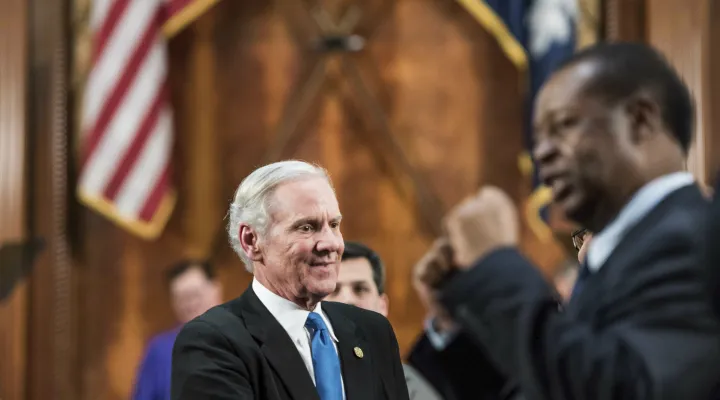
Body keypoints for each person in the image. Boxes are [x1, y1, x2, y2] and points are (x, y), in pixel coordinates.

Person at [416, 42, 720, 399]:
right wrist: (463, 316)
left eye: (564, 126)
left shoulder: (696, 238)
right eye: (539, 138)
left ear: (640, 121)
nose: (542, 152)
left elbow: (622, 389)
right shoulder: (620, 253)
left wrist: (496, 268)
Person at [171, 160, 410, 400]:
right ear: (252, 240)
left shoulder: (373, 331)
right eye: (306, 227)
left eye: (334, 224)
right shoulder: (213, 343)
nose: (331, 244)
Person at [132, 260, 222, 400]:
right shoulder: (160, 351)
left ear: (216, 289)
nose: (190, 304)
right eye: (181, 298)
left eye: (195, 294)